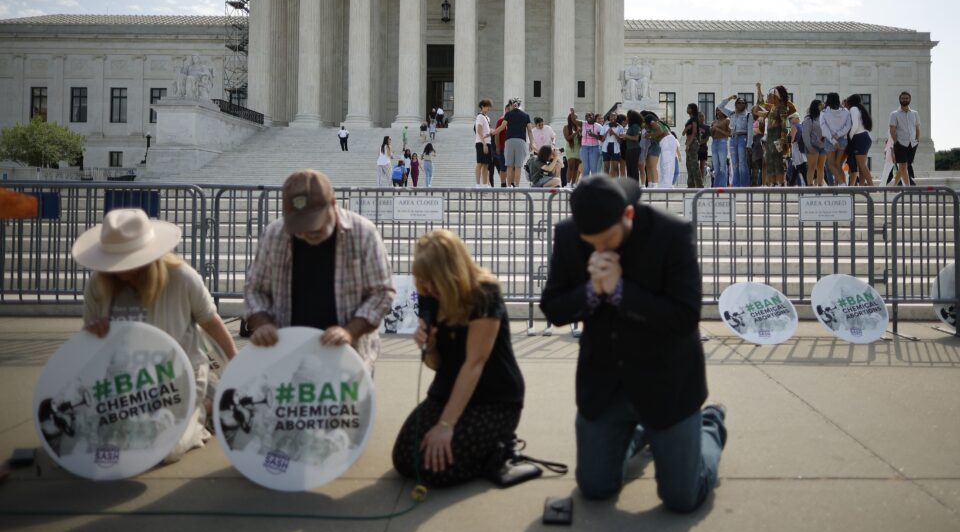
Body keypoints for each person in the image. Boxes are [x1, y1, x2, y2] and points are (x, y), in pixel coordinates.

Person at [539, 175, 726, 512]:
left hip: (666, 383)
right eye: (590, 242)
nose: (600, 249)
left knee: (682, 499)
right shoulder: (569, 235)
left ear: (628, 215)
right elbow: (552, 307)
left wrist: (621, 290)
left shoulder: (672, 234)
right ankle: (640, 433)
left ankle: (709, 425)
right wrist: (592, 291)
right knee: (595, 488)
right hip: (606, 382)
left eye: (606, 239)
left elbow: (685, 315)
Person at [75, 208, 238, 462]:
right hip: (125, 382)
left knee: (163, 449)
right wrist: (94, 332)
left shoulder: (182, 278)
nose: (122, 270)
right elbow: (89, 337)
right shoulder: (98, 284)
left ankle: (203, 410)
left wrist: (236, 362)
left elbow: (211, 322)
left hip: (177, 377)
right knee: (102, 440)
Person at [392, 229, 525, 487]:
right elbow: (436, 365)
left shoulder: (484, 293)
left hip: (494, 398)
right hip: (448, 389)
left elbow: (475, 363)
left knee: (438, 470)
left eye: (432, 280)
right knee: (405, 458)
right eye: (423, 281)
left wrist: (446, 424)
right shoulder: (429, 295)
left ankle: (499, 448)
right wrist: (429, 347)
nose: (427, 287)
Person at [244, 169, 395, 375]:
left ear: (333, 204)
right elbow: (255, 289)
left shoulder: (364, 234)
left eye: (314, 225)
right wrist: (262, 323)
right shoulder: (275, 234)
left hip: (348, 360)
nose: (307, 232)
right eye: (300, 226)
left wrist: (349, 331)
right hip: (288, 357)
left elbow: (382, 292)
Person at [753, 84, 793, 186]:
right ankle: (773, 183)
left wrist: (782, 139)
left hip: (777, 136)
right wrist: (759, 90)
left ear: (776, 96)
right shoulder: (772, 108)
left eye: (769, 95)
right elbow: (758, 108)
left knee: (777, 161)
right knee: (770, 160)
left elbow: (784, 124)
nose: (768, 98)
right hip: (770, 137)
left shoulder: (782, 107)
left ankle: (780, 182)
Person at [493, 98, 535, 188]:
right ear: (519, 105)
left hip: (509, 141)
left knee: (509, 165)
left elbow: (502, 127)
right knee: (518, 166)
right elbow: (530, 131)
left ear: (511, 105)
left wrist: (492, 132)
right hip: (521, 141)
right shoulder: (526, 115)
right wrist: (531, 143)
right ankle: (516, 185)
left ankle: (509, 186)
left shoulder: (508, 115)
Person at [717, 95, 753, 187]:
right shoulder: (732, 114)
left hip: (742, 138)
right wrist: (729, 98)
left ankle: (744, 185)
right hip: (733, 139)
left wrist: (749, 144)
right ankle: (736, 186)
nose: (740, 104)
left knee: (742, 163)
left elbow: (750, 131)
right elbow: (720, 107)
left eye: (742, 103)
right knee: (734, 164)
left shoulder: (748, 115)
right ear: (735, 104)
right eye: (738, 102)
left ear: (745, 105)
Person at [889, 91, 920, 187]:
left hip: (912, 144)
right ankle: (907, 187)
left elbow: (917, 128)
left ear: (910, 99)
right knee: (902, 165)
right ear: (900, 100)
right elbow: (892, 130)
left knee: (904, 166)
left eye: (906, 98)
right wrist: (896, 142)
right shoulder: (894, 114)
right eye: (903, 98)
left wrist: (917, 140)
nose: (905, 100)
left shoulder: (915, 113)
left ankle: (894, 185)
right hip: (900, 143)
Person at [820, 92, 851, 186]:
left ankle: (841, 184)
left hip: (830, 141)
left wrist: (833, 140)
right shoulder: (846, 111)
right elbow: (848, 126)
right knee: (838, 165)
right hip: (843, 139)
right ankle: (844, 186)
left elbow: (823, 127)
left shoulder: (824, 112)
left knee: (831, 165)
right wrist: (838, 135)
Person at [802, 99, 827, 186]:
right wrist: (809, 147)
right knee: (812, 167)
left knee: (821, 167)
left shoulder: (823, 117)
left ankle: (820, 186)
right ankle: (810, 186)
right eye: (820, 105)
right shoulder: (808, 119)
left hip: (823, 146)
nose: (823, 106)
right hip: (812, 146)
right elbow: (805, 135)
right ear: (815, 106)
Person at [682, 104, 702, 188]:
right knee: (689, 165)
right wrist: (686, 129)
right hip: (689, 141)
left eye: (688, 108)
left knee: (694, 165)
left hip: (692, 142)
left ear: (692, 109)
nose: (687, 109)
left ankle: (699, 185)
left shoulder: (694, 119)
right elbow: (686, 131)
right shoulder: (690, 119)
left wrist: (689, 144)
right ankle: (691, 185)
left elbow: (694, 132)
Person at [475, 99, 494, 188]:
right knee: (480, 163)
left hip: (488, 142)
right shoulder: (480, 117)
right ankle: (478, 184)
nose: (489, 108)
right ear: (482, 106)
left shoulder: (487, 118)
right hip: (481, 142)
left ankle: (485, 184)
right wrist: (484, 144)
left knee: (486, 164)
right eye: (487, 106)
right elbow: (479, 131)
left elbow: (487, 130)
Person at [710, 108, 731, 187]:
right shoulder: (714, 122)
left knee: (722, 165)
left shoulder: (727, 120)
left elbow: (729, 134)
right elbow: (712, 135)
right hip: (714, 142)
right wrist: (712, 130)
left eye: (720, 110)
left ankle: (723, 185)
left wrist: (717, 129)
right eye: (717, 110)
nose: (718, 112)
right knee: (716, 166)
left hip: (722, 141)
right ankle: (716, 185)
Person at [622, 110, 643, 183]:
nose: (626, 118)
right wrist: (625, 137)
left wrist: (626, 136)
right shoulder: (631, 126)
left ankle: (635, 184)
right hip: (629, 149)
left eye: (627, 116)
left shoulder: (635, 126)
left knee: (634, 168)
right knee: (629, 168)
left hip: (634, 149)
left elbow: (636, 138)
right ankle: (630, 184)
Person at [580, 112, 603, 178]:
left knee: (594, 169)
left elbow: (602, 138)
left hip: (594, 148)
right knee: (585, 169)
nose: (588, 117)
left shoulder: (598, 126)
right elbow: (574, 120)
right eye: (586, 116)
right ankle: (585, 186)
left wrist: (594, 135)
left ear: (594, 117)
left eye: (590, 115)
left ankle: (594, 186)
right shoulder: (583, 124)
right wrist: (572, 113)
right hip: (584, 148)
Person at [564, 108, 583, 188]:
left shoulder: (579, 127)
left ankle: (574, 183)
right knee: (571, 165)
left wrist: (580, 133)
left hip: (578, 148)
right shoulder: (566, 127)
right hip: (570, 148)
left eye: (576, 118)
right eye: (574, 118)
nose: (576, 119)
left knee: (576, 167)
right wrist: (576, 133)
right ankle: (568, 183)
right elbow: (567, 138)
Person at [600, 113, 623, 177]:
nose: (612, 117)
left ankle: (617, 182)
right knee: (606, 167)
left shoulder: (620, 127)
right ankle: (606, 183)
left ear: (617, 117)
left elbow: (620, 141)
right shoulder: (605, 126)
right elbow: (602, 140)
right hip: (606, 147)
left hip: (615, 147)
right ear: (609, 118)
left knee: (616, 167)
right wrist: (607, 132)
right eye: (611, 116)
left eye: (614, 116)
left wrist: (614, 133)